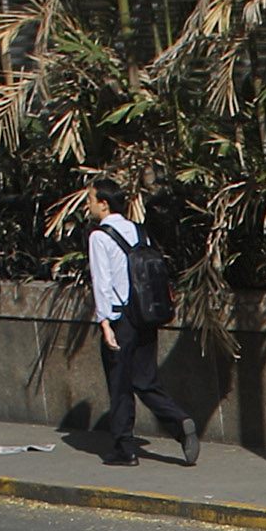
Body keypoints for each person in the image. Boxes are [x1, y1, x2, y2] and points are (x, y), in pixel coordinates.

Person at [84, 182, 201, 468]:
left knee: (120, 383)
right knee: (146, 380)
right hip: (146, 315)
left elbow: (102, 281)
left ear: (104, 204)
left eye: (90, 199)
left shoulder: (99, 237)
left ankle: (125, 448)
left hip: (120, 317)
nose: (87, 205)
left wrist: (104, 323)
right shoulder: (139, 230)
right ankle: (179, 419)